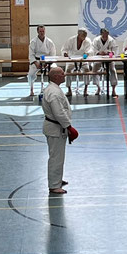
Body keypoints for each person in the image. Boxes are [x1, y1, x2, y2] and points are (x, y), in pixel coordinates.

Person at [42, 67, 77, 195]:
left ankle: (56, 179)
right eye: (62, 73)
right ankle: (54, 185)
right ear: (56, 77)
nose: (64, 75)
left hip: (56, 128)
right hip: (55, 128)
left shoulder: (54, 89)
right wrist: (69, 127)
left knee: (58, 156)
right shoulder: (53, 92)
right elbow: (59, 112)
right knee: (56, 157)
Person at [61, 28, 93, 97]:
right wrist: (65, 53)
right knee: (68, 70)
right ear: (79, 35)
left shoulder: (87, 41)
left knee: (87, 70)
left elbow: (90, 50)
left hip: (83, 59)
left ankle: (85, 89)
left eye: (85, 36)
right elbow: (64, 49)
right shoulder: (71, 40)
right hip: (72, 59)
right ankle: (69, 89)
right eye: (83, 36)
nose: (84, 37)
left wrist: (87, 54)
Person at [28, 25, 56, 96]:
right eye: (40, 31)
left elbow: (53, 54)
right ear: (37, 32)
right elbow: (31, 54)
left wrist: (48, 63)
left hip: (48, 61)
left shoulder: (49, 41)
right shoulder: (33, 42)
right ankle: (31, 90)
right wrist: (35, 63)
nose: (42, 33)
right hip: (37, 61)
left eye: (43, 31)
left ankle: (52, 89)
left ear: (45, 31)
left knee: (55, 70)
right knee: (31, 74)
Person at [92, 28, 119, 97]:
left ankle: (113, 89)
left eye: (106, 36)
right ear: (101, 34)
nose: (105, 37)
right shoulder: (96, 40)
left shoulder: (111, 40)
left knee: (112, 70)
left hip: (109, 59)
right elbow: (93, 50)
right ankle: (98, 87)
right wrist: (99, 53)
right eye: (103, 36)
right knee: (94, 69)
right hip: (98, 59)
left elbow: (115, 50)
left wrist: (110, 53)